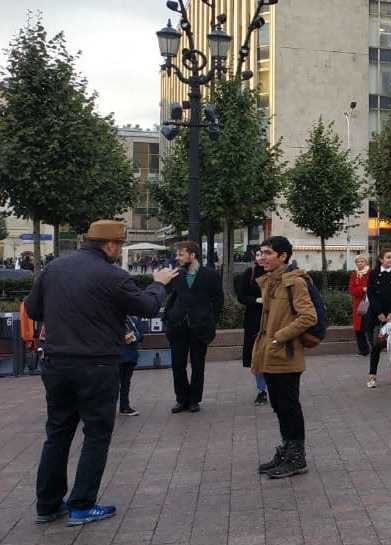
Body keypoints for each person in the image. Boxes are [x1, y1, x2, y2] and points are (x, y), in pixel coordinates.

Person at [25, 220, 178, 526]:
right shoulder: (112, 275)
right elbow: (147, 306)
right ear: (109, 245)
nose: (118, 250)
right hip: (96, 364)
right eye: (119, 245)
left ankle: (47, 504)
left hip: (56, 362)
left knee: (57, 432)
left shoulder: (53, 269)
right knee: (96, 433)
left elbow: (32, 309)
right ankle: (81, 505)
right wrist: (159, 282)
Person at [252, 236, 317, 479]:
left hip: (286, 354)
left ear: (283, 256)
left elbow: (308, 316)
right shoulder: (271, 281)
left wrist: (280, 336)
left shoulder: (294, 282)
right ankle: (287, 450)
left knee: (289, 406)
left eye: (268, 253)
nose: (262, 257)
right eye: (261, 252)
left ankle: (297, 458)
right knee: (279, 405)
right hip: (271, 353)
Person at [164, 241, 224, 413]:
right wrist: (169, 315)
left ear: (193, 255)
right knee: (177, 364)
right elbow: (169, 295)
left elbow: (218, 301)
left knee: (198, 366)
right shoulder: (176, 275)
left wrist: (212, 320)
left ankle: (194, 400)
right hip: (178, 327)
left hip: (200, 328)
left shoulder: (210, 275)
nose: (177, 257)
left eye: (181, 254)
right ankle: (181, 399)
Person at [365, 249, 391, 388]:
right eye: (388, 257)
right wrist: (379, 313)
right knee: (376, 346)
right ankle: (372, 376)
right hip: (377, 315)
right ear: (381, 259)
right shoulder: (373, 274)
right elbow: (371, 294)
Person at [235, 246, 269, 405]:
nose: (261, 257)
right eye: (258, 254)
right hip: (254, 319)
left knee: (271, 354)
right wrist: (256, 300)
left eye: (264, 253)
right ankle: (262, 390)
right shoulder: (249, 273)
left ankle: (275, 387)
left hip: (274, 319)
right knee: (257, 356)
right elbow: (241, 296)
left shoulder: (278, 274)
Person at [118, 315, 146, 417]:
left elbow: (141, 334)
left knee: (126, 383)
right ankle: (109, 408)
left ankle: (124, 406)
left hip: (130, 356)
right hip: (117, 356)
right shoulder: (115, 317)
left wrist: (135, 337)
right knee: (113, 384)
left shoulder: (133, 319)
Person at [348, 254, 372, 356]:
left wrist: (366, 289)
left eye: (362, 261)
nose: (360, 263)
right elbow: (351, 289)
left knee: (369, 326)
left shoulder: (371, 273)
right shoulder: (354, 274)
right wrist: (362, 289)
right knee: (359, 328)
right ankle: (363, 349)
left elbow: (373, 286)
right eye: (358, 261)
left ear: (366, 262)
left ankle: (374, 346)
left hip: (369, 302)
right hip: (359, 304)